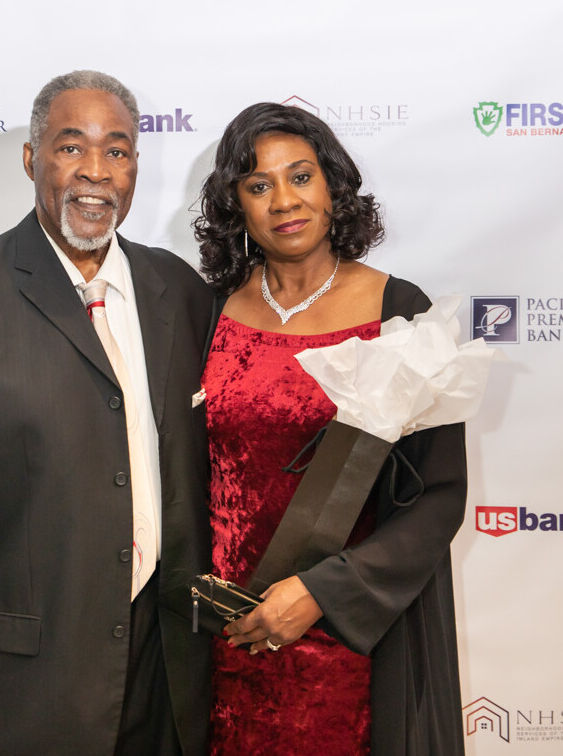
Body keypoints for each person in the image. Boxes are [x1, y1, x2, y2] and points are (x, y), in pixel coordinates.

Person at [0, 70, 214, 756]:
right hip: (20, 697)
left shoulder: (181, 291)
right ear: (33, 159)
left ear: (135, 167)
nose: (96, 171)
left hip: (168, 684)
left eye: (116, 150)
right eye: (71, 147)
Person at [192, 102, 467, 756]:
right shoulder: (206, 313)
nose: (284, 200)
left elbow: (438, 496)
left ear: (332, 186)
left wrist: (323, 592)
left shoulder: (398, 310)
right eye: (258, 185)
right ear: (236, 206)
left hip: (353, 639)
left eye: (300, 176)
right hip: (225, 642)